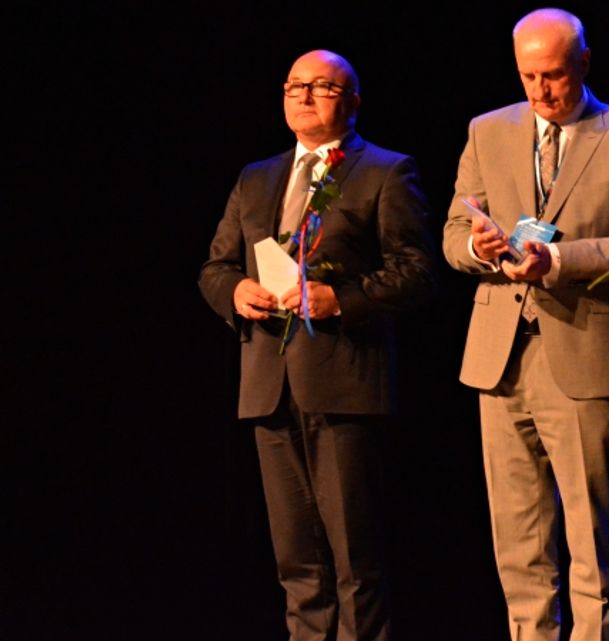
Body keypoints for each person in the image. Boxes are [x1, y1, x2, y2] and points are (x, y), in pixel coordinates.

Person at [441, 8, 609, 641]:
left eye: (555, 76)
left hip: (580, 355)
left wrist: (559, 259)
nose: (542, 91)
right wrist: (478, 250)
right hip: (500, 358)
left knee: (592, 543)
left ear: (585, 64)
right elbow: (454, 234)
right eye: (529, 77)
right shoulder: (487, 131)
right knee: (519, 544)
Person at [198, 49, 435, 641]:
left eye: (322, 87)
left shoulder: (385, 170)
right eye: (295, 86)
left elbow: (416, 272)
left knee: (356, 561)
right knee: (296, 561)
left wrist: (342, 299)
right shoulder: (256, 177)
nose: (304, 96)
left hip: (344, 384)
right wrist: (238, 292)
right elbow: (215, 267)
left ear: (352, 102)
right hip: (268, 388)